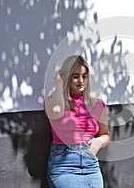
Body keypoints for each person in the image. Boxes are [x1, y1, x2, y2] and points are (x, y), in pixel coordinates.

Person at [44, 55, 110, 188]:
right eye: (75, 76)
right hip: (64, 165)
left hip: (90, 165)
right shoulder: (54, 101)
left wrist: (100, 141)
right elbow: (56, 112)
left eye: (84, 76)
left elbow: (105, 135)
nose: (81, 81)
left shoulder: (96, 104)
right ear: (67, 77)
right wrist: (58, 84)